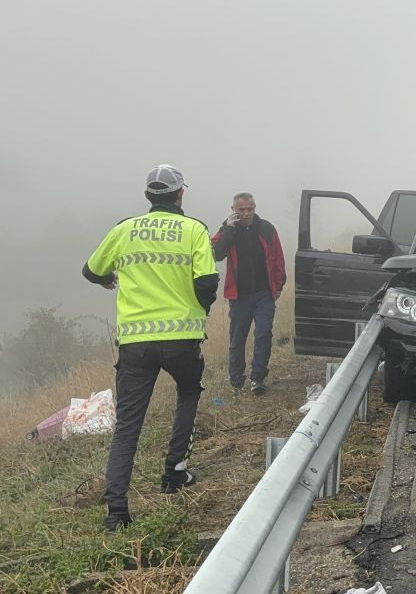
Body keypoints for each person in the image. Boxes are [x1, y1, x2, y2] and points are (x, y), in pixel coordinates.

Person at [82, 164, 218, 532]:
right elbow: (207, 282)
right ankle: (175, 473)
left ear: (147, 195)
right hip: (182, 339)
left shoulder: (124, 229)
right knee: (189, 392)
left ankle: (117, 511)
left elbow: (91, 270)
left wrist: (111, 278)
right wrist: (200, 311)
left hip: (135, 344)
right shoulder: (194, 230)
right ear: (180, 194)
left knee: (128, 425)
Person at [211, 192, 287, 394]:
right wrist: (228, 229)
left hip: (264, 293)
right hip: (239, 296)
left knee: (263, 334)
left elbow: (278, 257)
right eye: (241, 209)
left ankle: (258, 379)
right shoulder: (227, 230)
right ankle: (236, 381)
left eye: (250, 209)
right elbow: (216, 253)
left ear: (255, 207)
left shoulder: (266, 228)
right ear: (233, 210)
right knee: (237, 339)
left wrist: (278, 286)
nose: (246, 213)